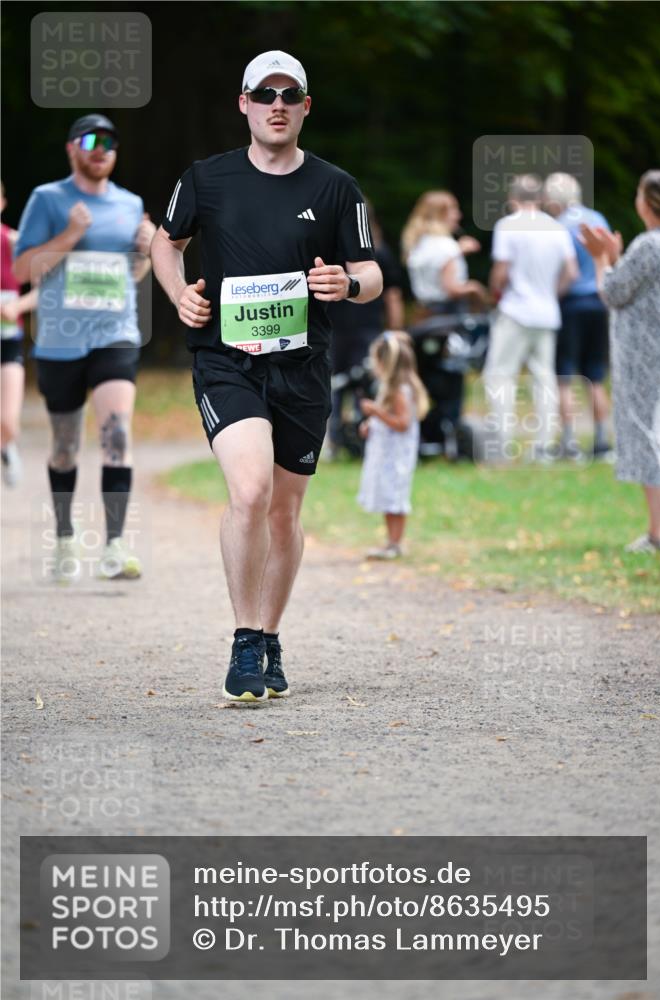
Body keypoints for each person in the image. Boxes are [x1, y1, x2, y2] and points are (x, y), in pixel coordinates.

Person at [151, 51, 383, 702]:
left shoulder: (336, 187)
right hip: (227, 361)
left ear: (305, 106)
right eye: (263, 94)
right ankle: (245, 638)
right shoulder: (206, 178)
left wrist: (347, 284)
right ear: (244, 104)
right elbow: (165, 243)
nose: (275, 105)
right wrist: (178, 294)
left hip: (303, 368)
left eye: (288, 95)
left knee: (284, 513)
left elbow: (371, 273)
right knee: (250, 490)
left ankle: (271, 635)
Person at [14, 114, 155, 580]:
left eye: (109, 142)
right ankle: (64, 540)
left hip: (115, 334)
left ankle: (114, 547)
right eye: (91, 140)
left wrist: (146, 252)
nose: (101, 148)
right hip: (60, 342)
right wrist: (70, 235)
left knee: (117, 435)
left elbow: (131, 274)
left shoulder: (131, 204)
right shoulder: (48, 199)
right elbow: (21, 270)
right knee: (65, 447)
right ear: (72, 148)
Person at [580, 169, 660, 553]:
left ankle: (659, 531)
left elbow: (613, 292)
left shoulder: (649, 245)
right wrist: (616, 257)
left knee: (649, 436)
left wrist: (601, 259)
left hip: (645, 354)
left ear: (647, 202)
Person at [483, 174, 578, 461]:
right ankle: (543, 446)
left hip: (515, 310)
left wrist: (495, 293)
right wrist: (552, 294)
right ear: (540, 199)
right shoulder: (556, 228)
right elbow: (571, 272)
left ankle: (502, 443)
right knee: (544, 379)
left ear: (512, 199)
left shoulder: (507, 226)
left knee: (500, 376)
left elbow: (501, 271)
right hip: (547, 313)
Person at [543, 173, 613, 461]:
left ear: (554, 200)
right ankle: (602, 441)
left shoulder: (557, 227)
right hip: (599, 301)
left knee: (565, 376)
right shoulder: (598, 219)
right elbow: (609, 258)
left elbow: (562, 271)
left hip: (570, 305)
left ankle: (569, 442)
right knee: (595, 376)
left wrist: (552, 295)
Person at [327, 203, 404, 455]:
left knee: (344, 383)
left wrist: (394, 331)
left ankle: (346, 439)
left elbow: (391, 294)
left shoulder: (374, 253)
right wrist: (395, 329)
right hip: (353, 328)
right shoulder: (375, 252)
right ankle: (351, 438)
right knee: (359, 383)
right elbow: (393, 297)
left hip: (347, 328)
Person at [357, 331, 429, 559]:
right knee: (388, 498)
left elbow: (402, 423)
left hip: (396, 458)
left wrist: (376, 412)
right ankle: (391, 542)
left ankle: (395, 543)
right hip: (388, 455)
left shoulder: (399, 391)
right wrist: (371, 423)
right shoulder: (390, 389)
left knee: (395, 498)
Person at [1, 182, 37, 487]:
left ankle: (6, 445)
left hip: (8, 340)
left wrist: (18, 306)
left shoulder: (14, 242)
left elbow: (47, 286)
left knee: (9, 422)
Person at [401, 190, 487, 317]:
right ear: (440, 214)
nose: (459, 215)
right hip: (449, 314)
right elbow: (452, 289)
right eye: (454, 210)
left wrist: (458, 251)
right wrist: (475, 288)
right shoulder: (447, 246)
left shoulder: (418, 244)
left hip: (424, 312)